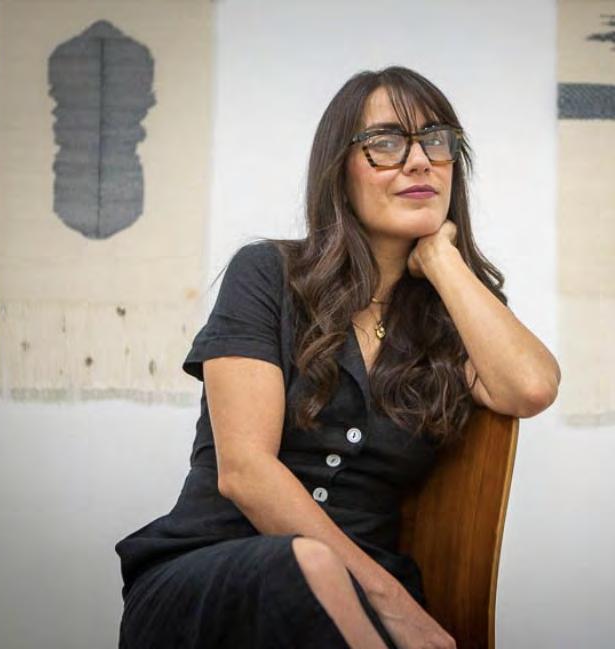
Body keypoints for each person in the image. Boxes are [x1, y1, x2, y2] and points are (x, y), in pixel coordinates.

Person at [114, 65, 560, 649]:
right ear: (338, 169)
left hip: (359, 600)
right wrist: (394, 605)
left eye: (436, 140)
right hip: (213, 576)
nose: (420, 161)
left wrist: (442, 260)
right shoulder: (266, 274)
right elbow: (245, 472)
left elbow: (530, 387)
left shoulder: (456, 316)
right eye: (386, 142)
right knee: (305, 565)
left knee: (317, 573)